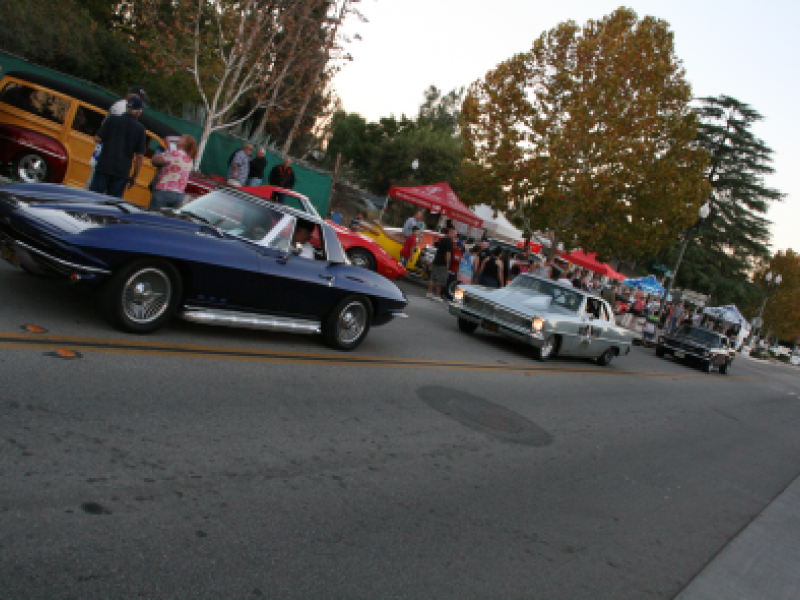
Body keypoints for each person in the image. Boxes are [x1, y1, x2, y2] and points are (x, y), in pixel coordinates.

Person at [86, 86, 148, 189]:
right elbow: (120, 134)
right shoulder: (123, 107)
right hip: (114, 161)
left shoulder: (118, 105)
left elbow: (100, 136)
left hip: (103, 157)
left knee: (93, 190)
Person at [149, 134, 198, 211]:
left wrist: (159, 154)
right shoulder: (190, 159)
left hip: (164, 190)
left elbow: (154, 160)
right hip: (179, 194)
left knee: (154, 215)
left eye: (182, 138)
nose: (179, 139)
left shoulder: (173, 153)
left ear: (184, 143)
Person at [427, 227, 456, 301]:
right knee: (440, 280)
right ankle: (437, 295)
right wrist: (447, 263)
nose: (455, 236)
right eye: (454, 234)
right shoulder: (449, 242)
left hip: (436, 260)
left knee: (432, 278)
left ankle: (429, 293)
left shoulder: (443, 239)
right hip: (442, 263)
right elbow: (448, 253)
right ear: (450, 233)